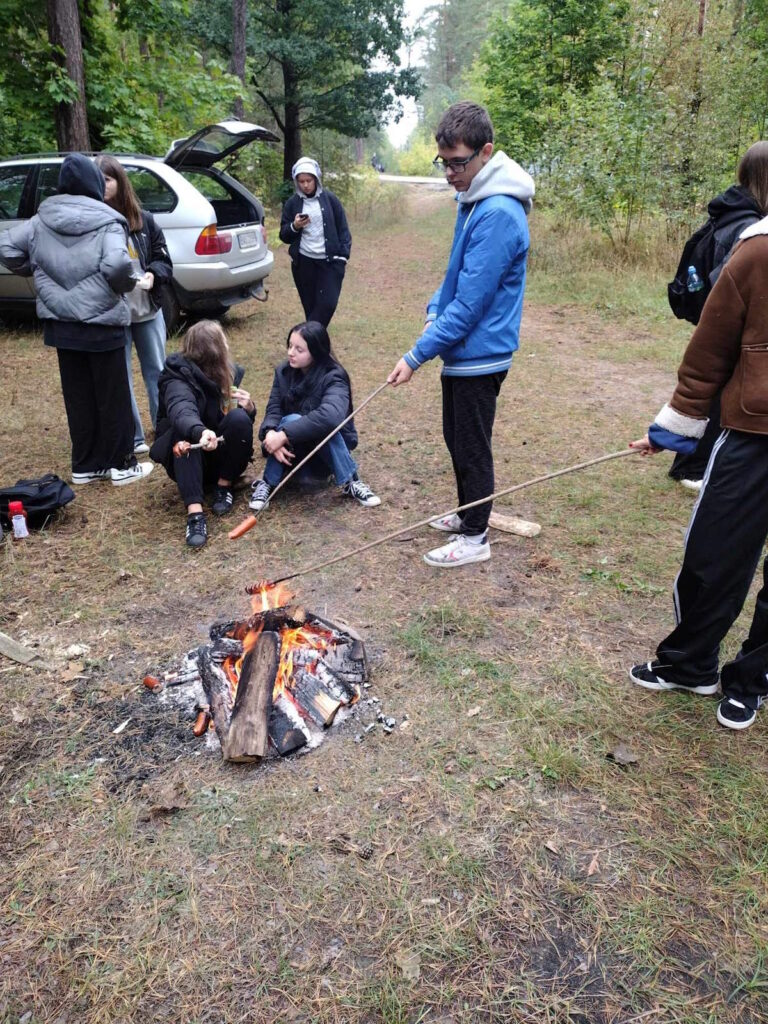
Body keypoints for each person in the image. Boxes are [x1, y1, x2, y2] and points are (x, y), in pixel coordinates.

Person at [628, 209, 768, 730]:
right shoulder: (756, 251)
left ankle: (754, 678)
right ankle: (690, 664)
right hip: (753, 433)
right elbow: (709, 351)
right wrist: (673, 429)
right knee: (713, 554)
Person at [387, 101, 534, 567]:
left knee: (471, 444)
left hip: (482, 352)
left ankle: (475, 538)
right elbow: (455, 278)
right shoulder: (472, 198)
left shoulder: (498, 214)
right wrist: (434, 308)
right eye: (443, 162)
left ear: (485, 152)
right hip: (462, 350)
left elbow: (470, 305)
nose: (449, 172)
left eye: (458, 162)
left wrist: (415, 356)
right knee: (457, 437)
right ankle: (468, 512)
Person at [0, 153, 152, 487]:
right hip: (103, 323)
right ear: (94, 183)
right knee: (112, 397)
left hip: (62, 325)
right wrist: (124, 286)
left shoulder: (42, 218)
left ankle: (85, 465)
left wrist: (39, 268)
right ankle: (122, 465)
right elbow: (116, 267)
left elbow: (7, 248)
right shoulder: (109, 221)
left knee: (78, 396)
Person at [668, 142, 768, 491]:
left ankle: (687, 463)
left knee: (713, 389)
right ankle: (692, 467)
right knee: (718, 390)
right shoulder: (750, 228)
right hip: (725, 320)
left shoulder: (729, 210)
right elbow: (728, 283)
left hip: (716, 317)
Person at [248, 321, 380, 512]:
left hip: (325, 454)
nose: (290, 352)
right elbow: (274, 409)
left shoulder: (334, 376)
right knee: (290, 421)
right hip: (292, 453)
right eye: (290, 345)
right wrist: (270, 434)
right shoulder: (283, 372)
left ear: (316, 352)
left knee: (301, 421)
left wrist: (282, 435)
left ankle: (350, 481)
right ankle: (267, 484)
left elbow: (330, 417)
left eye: (299, 349)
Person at [150, 320, 256, 548]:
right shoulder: (176, 376)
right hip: (186, 456)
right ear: (214, 350)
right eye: (223, 341)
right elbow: (181, 410)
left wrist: (250, 409)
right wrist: (200, 432)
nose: (228, 345)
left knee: (239, 418)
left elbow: (237, 425)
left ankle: (224, 485)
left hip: (219, 453)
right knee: (181, 432)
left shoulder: (227, 372)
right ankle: (195, 514)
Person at [96, 155, 173, 456]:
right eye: (99, 180)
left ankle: (164, 427)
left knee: (157, 370)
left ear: (120, 182)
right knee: (120, 376)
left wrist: (155, 273)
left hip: (147, 308)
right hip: (114, 313)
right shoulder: (96, 222)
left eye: (108, 179)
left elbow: (163, 259)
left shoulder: (144, 220)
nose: (103, 186)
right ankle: (134, 437)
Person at [279, 158, 351, 326]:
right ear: (297, 182)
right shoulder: (292, 203)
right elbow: (284, 235)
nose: (305, 185)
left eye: (309, 180)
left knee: (328, 304)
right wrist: (295, 226)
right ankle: (314, 344)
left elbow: (343, 230)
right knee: (310, 308)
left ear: (316, 179)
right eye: (301, 181)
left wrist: (343, 258)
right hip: (304, 263)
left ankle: (306, 339)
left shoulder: (331, 200)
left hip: (330, 262)